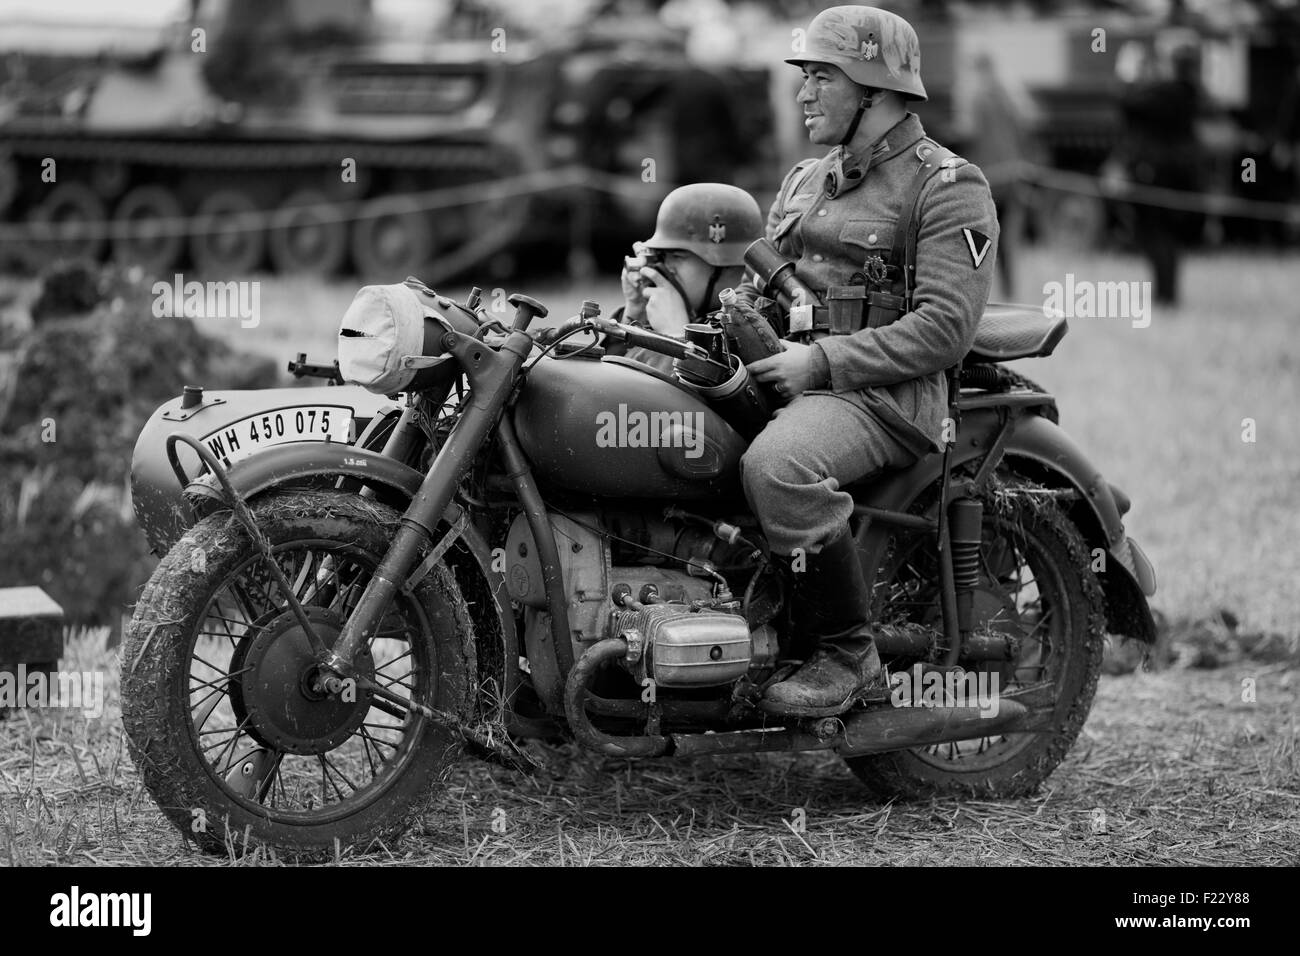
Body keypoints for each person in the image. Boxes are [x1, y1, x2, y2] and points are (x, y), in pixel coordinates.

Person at [734, 5, 1000, 716]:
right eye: (806, 76)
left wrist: (819, 365)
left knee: (778, 467)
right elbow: (762, 290)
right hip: (796, 375)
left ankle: (850, 654)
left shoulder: (946, 186)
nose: (804, 93)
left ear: (875, 92)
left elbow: (943, 329)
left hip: (889, 395)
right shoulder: (805, 180)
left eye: (823, 77)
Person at [605, 182, 764, 373]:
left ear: (726, 264)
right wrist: (634, 314)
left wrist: (676, 338)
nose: (665, 268)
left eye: (677, 256)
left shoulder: (756, 330)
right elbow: (610, 383)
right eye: (662, 256)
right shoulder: (691, 316)